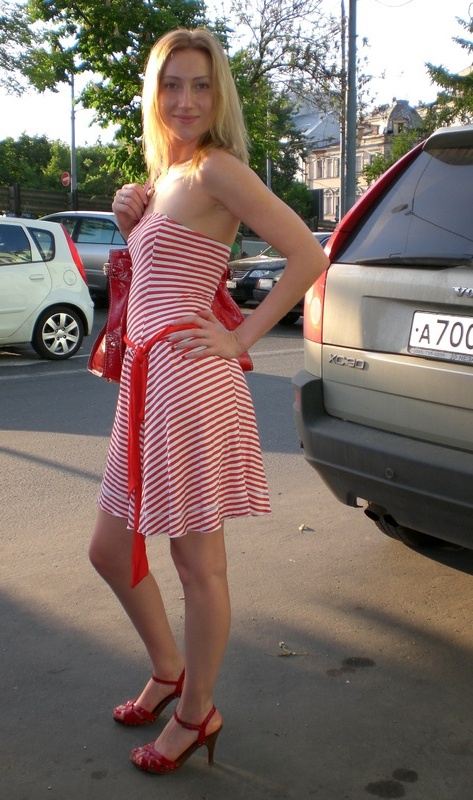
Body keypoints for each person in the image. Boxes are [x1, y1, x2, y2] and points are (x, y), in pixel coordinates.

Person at [88, 27, 329, 776]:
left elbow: (309, 253)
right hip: (147, 384)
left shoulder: (219, 168)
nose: (186, 100)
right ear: (154, 94)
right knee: (108, 549)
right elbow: (159, 276)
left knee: (197, 565)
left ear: (218, 94)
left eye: (200, 85)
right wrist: (131, 223)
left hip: (190, 383)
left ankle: (196, 714)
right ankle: (170, 671)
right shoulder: (169, 177)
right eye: (172, 84)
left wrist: (241, 336)